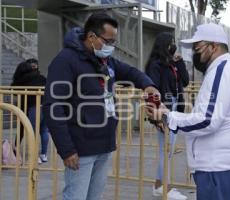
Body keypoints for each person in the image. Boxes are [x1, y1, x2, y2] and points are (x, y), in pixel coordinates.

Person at [43, 13, 158, 200]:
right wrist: (67, 150)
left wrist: (148, 84)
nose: (112, 46)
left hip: (104, 143)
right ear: (91, 37)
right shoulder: (66, 61)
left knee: (95, 196)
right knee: (75, 196)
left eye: (114, 42)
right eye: (109, 41)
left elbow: (130, 71)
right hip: (80, 148)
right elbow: (53, 106)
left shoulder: (105, 61)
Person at [146, 23, 230, 200]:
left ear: (214, 46)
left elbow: (207, 120)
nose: (194, 53)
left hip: (219, 169)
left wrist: (167, 116)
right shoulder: (226, 68)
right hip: (222, 167)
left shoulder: (222, 70)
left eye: (197, 48)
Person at [145, 32, 189, 200]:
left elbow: (184, 81)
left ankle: (159, 186)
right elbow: (152, 89)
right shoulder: (156, 65)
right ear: (163, 45)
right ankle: (165, 188)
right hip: (163, 110)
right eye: (171, 43)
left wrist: (181, 62)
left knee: (168, 150)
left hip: (176, 109)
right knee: (166, 150)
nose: (173, 45)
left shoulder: (172, 64)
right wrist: (157, 117)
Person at [11, 60, 49, 164]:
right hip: (45, 106)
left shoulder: (22, 79)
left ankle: (34, 156)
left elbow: (13, 90)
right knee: (44, 130)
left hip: (32, 107)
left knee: (32, 131)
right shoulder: (41, 77)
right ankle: (43, 155)